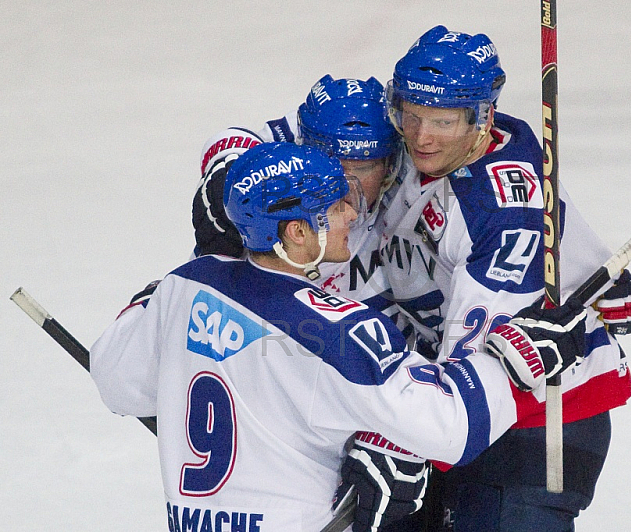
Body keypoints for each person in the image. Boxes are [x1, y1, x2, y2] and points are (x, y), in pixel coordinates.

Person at [89, 142, 590, 532]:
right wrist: (516, 360)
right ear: (295, 234)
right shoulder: (337, 332)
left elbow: (114, 378)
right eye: (333, 207)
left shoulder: (184, 287)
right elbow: (452, 426)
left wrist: (153, 297)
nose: (353, 214)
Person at [378, 25, 631, 531]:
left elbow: (471, 379)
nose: (421, 135)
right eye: (410, 116)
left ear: (482, 118)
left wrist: (396, 439)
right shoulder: (462, 147)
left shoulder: (501, 214)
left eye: (442, 121)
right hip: (497, 413)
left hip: (536, 425)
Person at [192, 75, 402, 312]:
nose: (345, 184)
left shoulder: (406, 150)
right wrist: (223, 170)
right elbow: (236, 142)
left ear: (389, 164)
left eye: (363, 168)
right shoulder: (304, 138)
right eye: (335, 164)